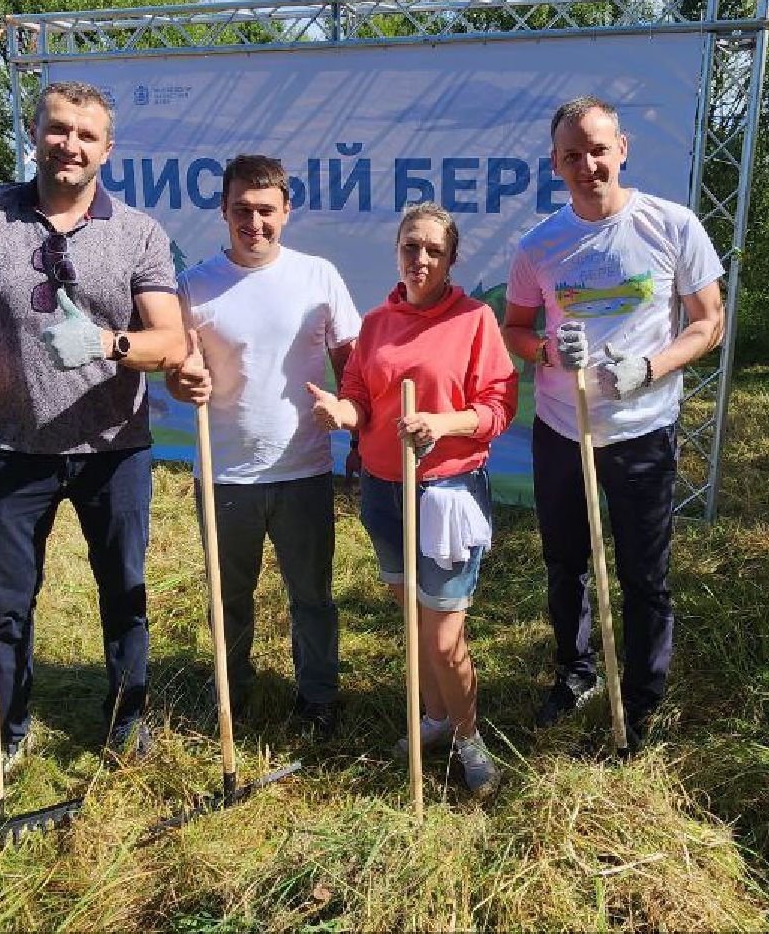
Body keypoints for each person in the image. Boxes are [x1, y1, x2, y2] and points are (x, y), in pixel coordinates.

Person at [0, 79, 187, 816]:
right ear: (34, 131)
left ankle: (127, 724)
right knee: (5, 604)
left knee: (124, 594)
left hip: (114, 448)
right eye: (58, 129)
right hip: (13, 445)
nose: (70, 145)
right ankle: (3, 736)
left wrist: (106, 343)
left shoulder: (137, 232)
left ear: (108, 149)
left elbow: (170, 341)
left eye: (86, 135)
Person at [502, 95, 725, 752]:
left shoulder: (672, 225)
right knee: (565, 562)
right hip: (561, 429)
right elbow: (514, 329)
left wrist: (650, 366)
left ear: (621, 149)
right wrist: (546, 349)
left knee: (644, 573)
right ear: (555, 163)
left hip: (642, 429)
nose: (588, 165)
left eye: (598, 150)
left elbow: (708, 322)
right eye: (572, 155)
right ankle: (575, 675)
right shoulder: (538, 246)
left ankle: (643, 698)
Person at [308, 202, 517, 796]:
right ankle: (436, 717)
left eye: (433, 249)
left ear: (451, 259)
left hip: (448, 492)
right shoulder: (376, 322)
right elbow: (359, 396)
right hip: (383, 490)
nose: (420, 258)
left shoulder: (475, 319)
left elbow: (498, 407)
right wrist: (342, 413)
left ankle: (470, 738)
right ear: (397, 250)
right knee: (414, 622)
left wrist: (441, 424)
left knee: (445, 636)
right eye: (410, 246)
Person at [165, 154, 360, 735]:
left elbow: (352, 365)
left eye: (266, 210)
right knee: (229, 597)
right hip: (225, 473)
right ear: (224, 211)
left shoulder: (318, 277)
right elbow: (177, 373)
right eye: (242, 210)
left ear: (286, 212)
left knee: (312, 597)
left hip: (304, 469)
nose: (255, 222)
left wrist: (352, 418)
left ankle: (319, 700)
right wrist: (183, 381)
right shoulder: (194, 286)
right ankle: (231, 693)